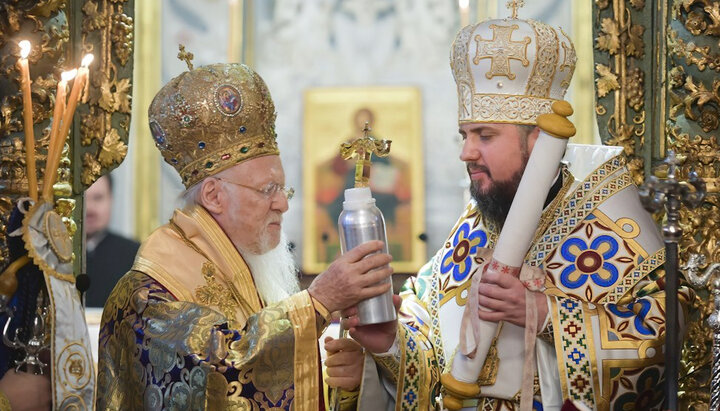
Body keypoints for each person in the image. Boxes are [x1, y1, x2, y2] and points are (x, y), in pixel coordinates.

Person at [345, 5, 687, 410]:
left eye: (485, 136)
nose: (467, 152)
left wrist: (546, 315)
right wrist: (389, 343)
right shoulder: (477, 222)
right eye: (465, 135)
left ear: (539, 140)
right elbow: (433, 350)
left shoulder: (608, 219)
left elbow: (661, 342)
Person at [95, 62, 393, 410]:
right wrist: (318, 302)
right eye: (268, 189)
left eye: (283, 189)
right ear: (213, 196)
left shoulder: (246, 267)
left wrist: (343, 385)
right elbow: (221, 377)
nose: (282, 204)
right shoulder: (149, 295)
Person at [84, 174, 140, 307]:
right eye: (82, 199)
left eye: (98, 198)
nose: (89, 208)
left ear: (111, 200)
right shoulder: (51, 255)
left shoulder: (136, 256)